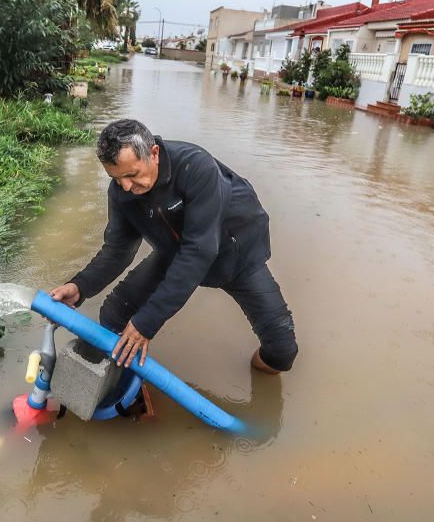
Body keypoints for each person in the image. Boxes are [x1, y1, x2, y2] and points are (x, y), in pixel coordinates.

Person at [49, 119, 297, 375]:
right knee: (114, 314)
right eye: (116, 178)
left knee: (282, 352)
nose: (125, 187)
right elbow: (117, 250)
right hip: (175, 253)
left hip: (234, 254)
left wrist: (147, 323)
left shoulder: (196, 167)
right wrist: (79, 287)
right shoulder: (121, 191)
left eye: (132, 175)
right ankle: (111, 382)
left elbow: (198, 252)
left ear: (154, 153)